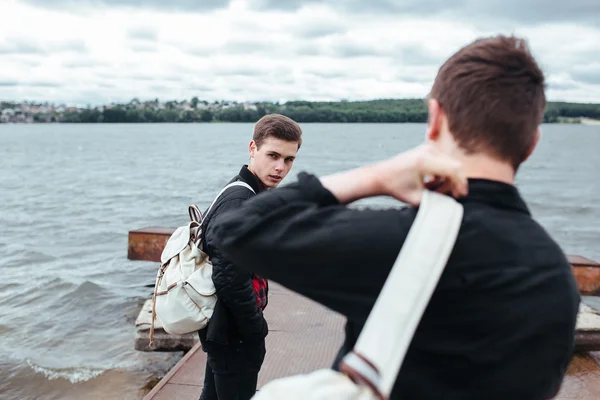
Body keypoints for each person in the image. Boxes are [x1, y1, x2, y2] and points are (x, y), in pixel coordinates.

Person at [208, 35, 581, 400]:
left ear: (435, 120)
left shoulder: (399, 245)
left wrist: (377, 177)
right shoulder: (559, 279)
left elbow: (236, 230)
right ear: (532, 143)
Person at [198, 113, 303, 400]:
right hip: (233, 333)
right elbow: (229, 278)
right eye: (273, 155)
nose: (280, 167)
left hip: (223, 330)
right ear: (253, 149)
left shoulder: (245, 192)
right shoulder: (239, 201)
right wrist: (255, 329)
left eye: (289, 159)